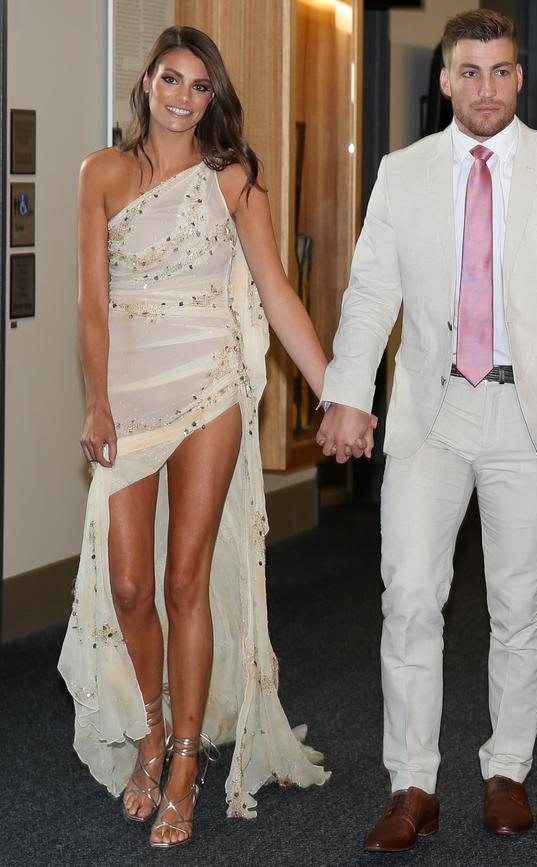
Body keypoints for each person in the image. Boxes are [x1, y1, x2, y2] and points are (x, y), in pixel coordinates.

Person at [58, 25, 372, 850]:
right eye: (172, 79)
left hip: (208, 385)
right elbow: (91, 304)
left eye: (200, 86)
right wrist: (97, 402)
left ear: (212, 99)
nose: (183, 97)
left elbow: (277, 295)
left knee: (183, 577)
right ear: (148, 83)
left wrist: (341, 388)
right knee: (130, 586)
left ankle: (189, 762)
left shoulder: (234, 182)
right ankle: (151, 730)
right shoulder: (100, 174)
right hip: (127, 391)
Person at [317, 8, 537, 853]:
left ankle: (506, 771)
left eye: (500, 71)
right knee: (410, 592)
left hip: (534, 414)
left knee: (518, 603)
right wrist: (348, 390)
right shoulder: (402, 173)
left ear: (518, 78)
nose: (485, 87)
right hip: (432, 411)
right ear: (444, 79)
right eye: (469, 71)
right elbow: (372, 290)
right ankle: (412, 782)